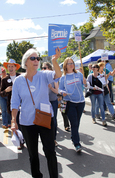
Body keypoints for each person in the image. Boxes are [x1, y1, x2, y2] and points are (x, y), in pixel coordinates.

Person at [11, 47, 61, 178]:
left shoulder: (44, 75)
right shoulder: (18, 81)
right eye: (32, 58)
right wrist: (13, 121)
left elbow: (58, 75)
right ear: (25, 62)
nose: (36, 60)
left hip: (45, 119)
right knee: (33, 154)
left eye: (38, 58)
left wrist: (54, 61)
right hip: (27, 122)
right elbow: (15, 102)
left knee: (50, 151)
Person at [59, 57, 86, 152]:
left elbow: (85, 86)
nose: (71, 65)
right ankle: (77, 143)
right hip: (70, 103)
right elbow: (59, 89)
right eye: (69, 63)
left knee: (77, 122)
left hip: (81, 102)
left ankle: (73, 137)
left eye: (72, 63)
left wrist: (86, 84)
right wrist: (63, 92)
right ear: (65, 66)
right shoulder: (63, 78)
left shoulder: (79, 74)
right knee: (74, 123)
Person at [42, 62, 59, 147]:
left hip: (53, 102)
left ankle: (54, 139)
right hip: (44, 103)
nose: (43, 70)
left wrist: (51, 87)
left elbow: (57, 91)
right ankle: (47, 139)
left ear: (49, 68)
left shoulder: (53, 78)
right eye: (42, 68)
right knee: (45, 121)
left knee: (53, 121)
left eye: (44, 68)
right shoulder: (42, 78)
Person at [0, 60, 19, 129]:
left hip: (21, 105)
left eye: (12, 66)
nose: (10, 68)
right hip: (10, 105)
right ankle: (7, 123)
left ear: (15, 67)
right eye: (9, 66)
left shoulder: (21, 77)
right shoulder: (4, 80)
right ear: (7, 68)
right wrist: (6, 90)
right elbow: (1, 93)